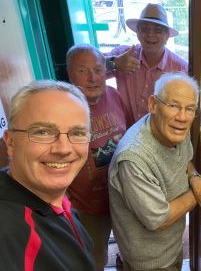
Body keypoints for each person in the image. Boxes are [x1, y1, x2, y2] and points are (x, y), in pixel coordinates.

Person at [108, 72, 201, 270]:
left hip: (171, 246)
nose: (182, 117)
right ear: (153, 105)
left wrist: (195, 179)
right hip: (149, 261)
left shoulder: (175, 128)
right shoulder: (134, 158)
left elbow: (186, 162)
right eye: (173, 105)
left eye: (189, 109)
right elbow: (158, 219)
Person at [1, 80, 95, 270]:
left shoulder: (51, 196)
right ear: (10, 143)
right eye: (42, 132)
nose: (63, 149)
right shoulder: (8, 233)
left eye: (77, 133)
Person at [66, 44, 131, 270]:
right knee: (94, 261)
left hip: (122, 197)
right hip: (87, 208)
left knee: (130, 250)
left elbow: (131, 136)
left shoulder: (114, 96)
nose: (93, 77)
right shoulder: (63, 109)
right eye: (83, 71)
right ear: (69, 73)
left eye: (98, 69)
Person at [106, 3, 188, 123]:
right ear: (138, 32)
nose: (150, 34)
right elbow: (88, 67)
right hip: (124, 135)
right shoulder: (123, 55)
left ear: (167, 36)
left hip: (161, 137)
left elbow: (183, 111)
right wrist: (114, 62)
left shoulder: (180, 69)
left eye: (158, 30)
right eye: (144, 28)